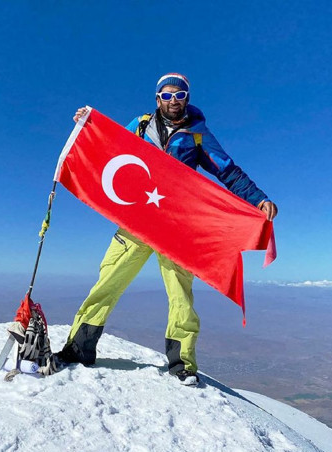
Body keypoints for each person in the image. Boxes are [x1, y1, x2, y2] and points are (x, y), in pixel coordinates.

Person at [56, 73, 278, 386]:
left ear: (188, 96)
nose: (174, 100)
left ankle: (182, 364)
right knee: (108, 281)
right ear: (157, 97)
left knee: (180, 295)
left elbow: (227, 170)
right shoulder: (141, 124)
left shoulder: (198, 134)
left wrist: (258, 198)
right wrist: (87, 123)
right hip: (137, 220)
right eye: (167, 95)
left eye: (180, 94)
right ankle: (80, 348)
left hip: (177, 226)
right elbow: (110, 145)